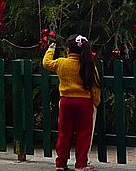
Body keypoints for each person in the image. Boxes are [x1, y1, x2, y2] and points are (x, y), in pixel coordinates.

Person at [43, 34, 101, 171]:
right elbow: (95, 86)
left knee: (64, 133)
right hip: (84, 103)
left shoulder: (61, 63)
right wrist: (95, 102)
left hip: (66, 102)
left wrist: (50, 49)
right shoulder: (89, 65)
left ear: (68, 49)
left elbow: (46, 63)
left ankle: (60, 163)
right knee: (83, 134)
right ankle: (81, 164)